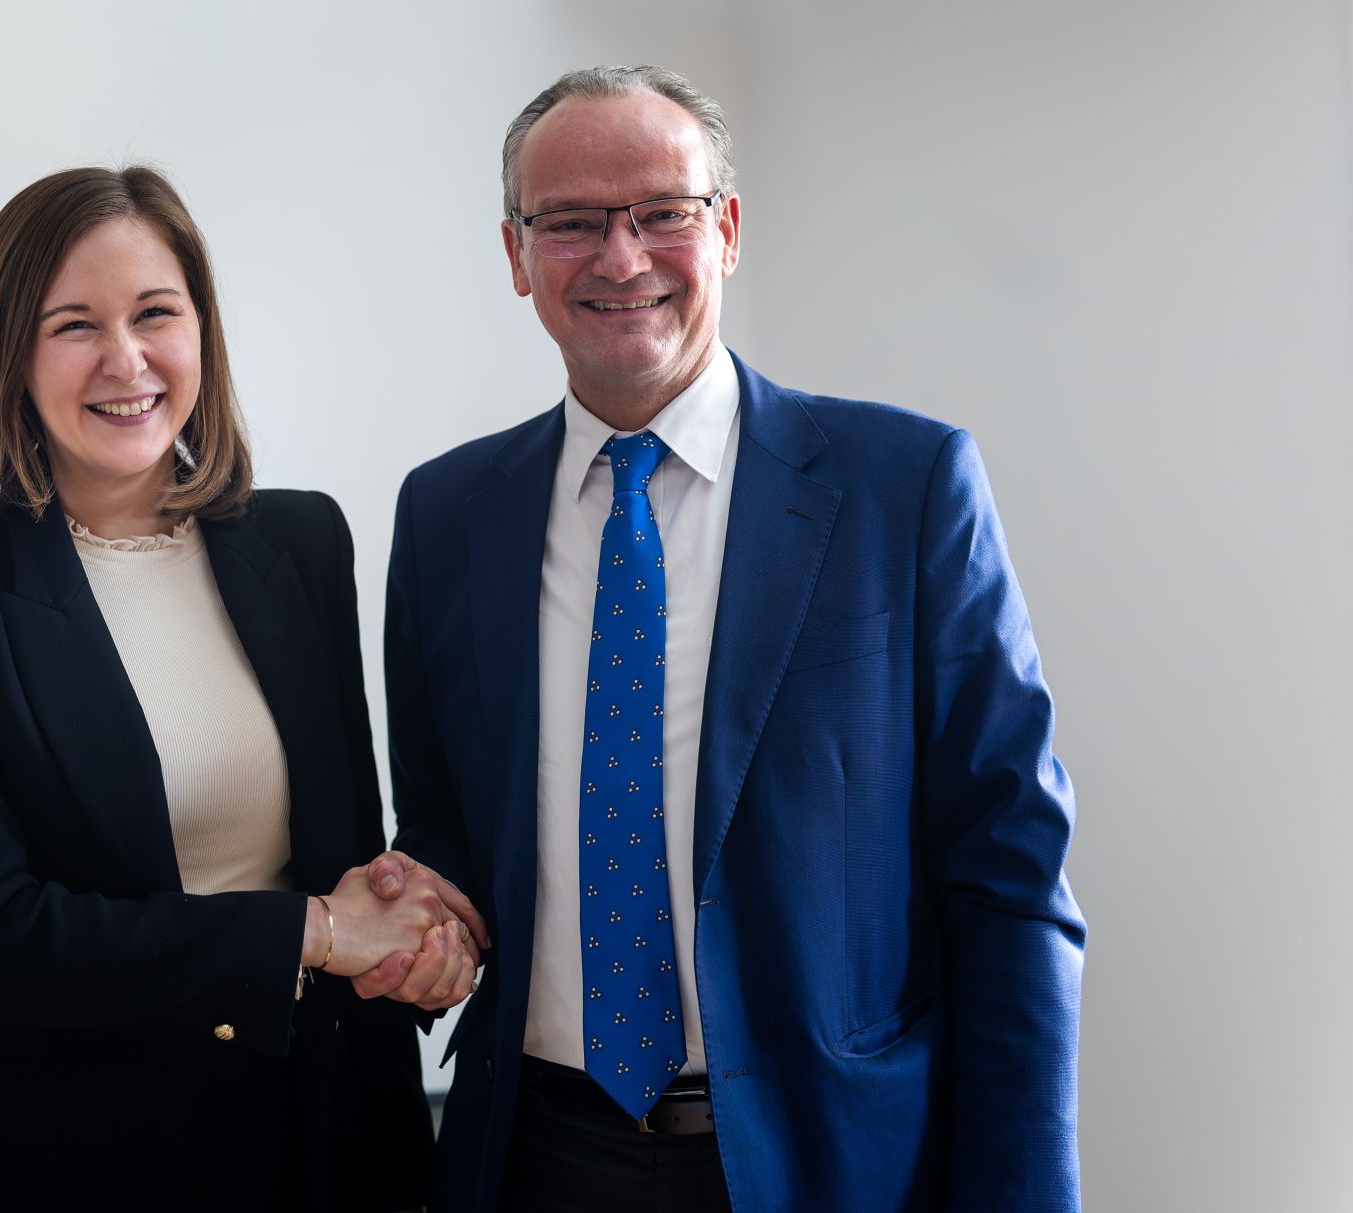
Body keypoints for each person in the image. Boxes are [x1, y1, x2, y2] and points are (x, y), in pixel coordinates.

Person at [357, 66, 1085, 1211]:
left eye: (662, 212)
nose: (620, 257)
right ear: (514, 255)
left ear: (726, 231)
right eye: (571, 223)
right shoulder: (444, 514)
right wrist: (417, 906)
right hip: (537, 1154)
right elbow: (452, 818)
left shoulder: (902, 488)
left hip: (829, 1155)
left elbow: (1008, 875)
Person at [0, 165, 482, 1211]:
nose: (125, 360)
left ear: (200, 332)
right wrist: (315, 933)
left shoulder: (299, 541)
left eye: (154, 314)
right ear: (11, 354)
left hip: (302, 1145)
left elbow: (343, 856)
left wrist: (409, 950)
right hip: (41, 1155)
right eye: (74, 325)